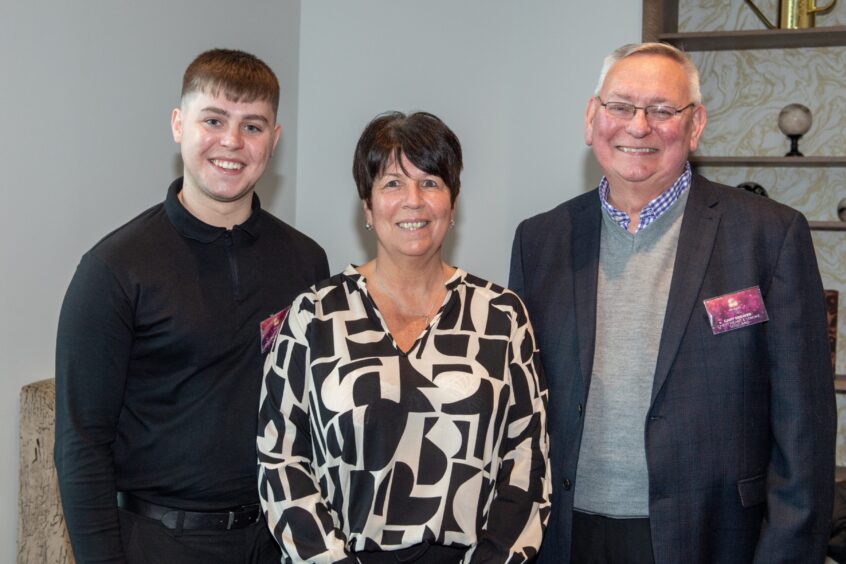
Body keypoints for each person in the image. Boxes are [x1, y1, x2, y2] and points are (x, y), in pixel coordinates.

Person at [509, 42, 836, 563]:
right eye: (620, 106)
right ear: (592, 117)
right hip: (565, 538)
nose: (638, 126)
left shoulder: (768, 236)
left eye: (662, 110)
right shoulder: (539, 240)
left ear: (696, 124)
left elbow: (805, 429)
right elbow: (519, 410)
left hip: (713, 537)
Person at [54, 48, 329, 564]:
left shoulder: (306, 262)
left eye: (253, 126)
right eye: (213, 120)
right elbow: (80, 444)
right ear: (179, 125)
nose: (232, 142)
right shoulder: (114, 268)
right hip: (159, 541)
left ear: (274, 139)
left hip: (279, 539)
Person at [258, 111, 550, 563]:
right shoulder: (314, 315)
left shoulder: (501, 316)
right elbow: (281, 460)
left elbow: (527, 462)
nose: (413, 200)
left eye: (431, 182)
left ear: (453, 204)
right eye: (392, 183)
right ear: (368, 208)